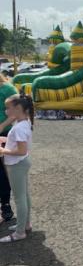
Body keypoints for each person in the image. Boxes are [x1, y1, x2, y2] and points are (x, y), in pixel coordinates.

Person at [0, 94, 34, 243]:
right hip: (21, 163)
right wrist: (6, 140)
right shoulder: (23, 122)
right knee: (24, 196)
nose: (6, 111)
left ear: (18, 108)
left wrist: (2, 151)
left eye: (8, 108)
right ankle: (25, 224)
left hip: (17, 164)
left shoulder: (20, 127)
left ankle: (20, 232)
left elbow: (21, 150)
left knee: (20, 199)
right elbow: (19, 145)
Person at [0, 73, 17, 225]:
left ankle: (5, 204)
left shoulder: (7, 88)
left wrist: (2, 126)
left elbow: (17, 110)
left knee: (4, 171)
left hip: (4, 134)